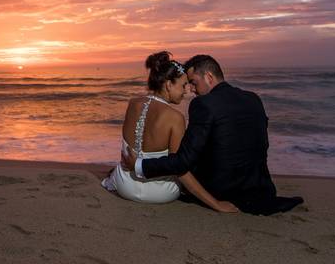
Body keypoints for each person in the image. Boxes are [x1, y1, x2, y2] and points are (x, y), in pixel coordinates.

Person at [128, 54, 303, 215]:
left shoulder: (204, 104)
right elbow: (261, 145)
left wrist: (139, 165)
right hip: (260, 188)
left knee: (185, 161)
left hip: (222, 190)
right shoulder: (253, 98)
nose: (192, 90)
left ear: (209, 77)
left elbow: (184, 161)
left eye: (194, 83)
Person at [102, 51, 239, 213]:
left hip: (124, 185)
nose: (187, 91)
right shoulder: (175, 118)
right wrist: (216, 204)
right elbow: (179, 168)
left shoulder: (133, 104)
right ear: (168, 85)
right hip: (160, 193)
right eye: (182, 85)